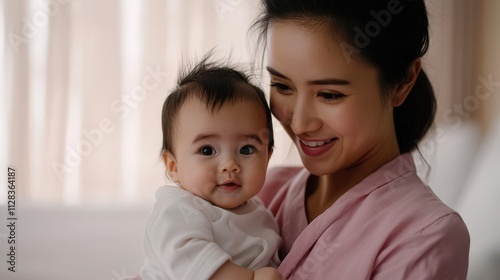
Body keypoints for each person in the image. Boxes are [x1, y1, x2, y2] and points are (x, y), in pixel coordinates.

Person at [251, 0, 471, 279]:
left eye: (329, 94)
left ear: (403, 82)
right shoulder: (261, 192)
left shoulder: (426, 236)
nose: (299, 123)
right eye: (282, 87)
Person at [139, 56, 283, 280]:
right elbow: (191, 261)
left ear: (267, 157)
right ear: (173, 166)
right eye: (207, 151)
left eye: (246, 149)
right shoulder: (178, 210)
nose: (229, 166)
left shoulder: (259, 212)